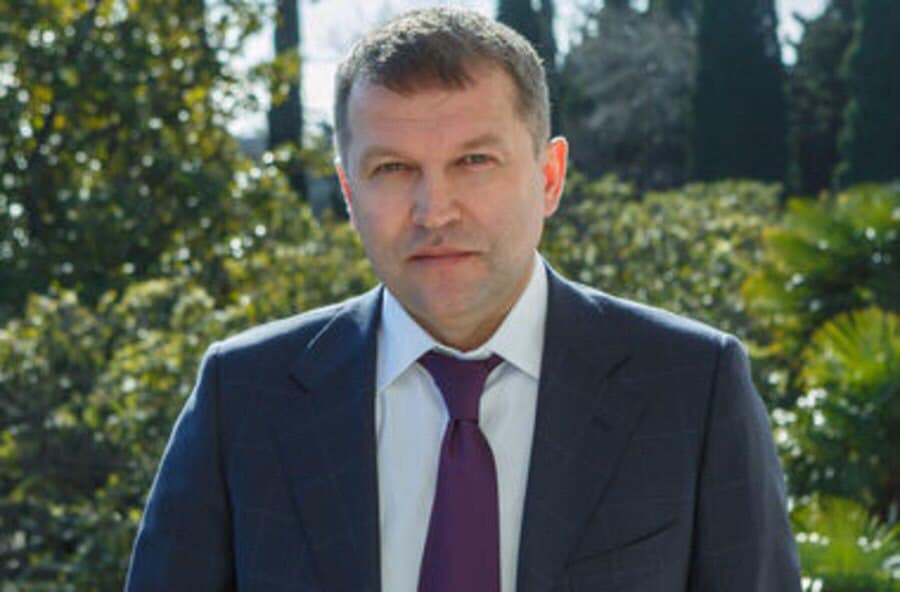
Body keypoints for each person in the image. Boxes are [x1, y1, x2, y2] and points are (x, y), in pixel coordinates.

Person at [125, 7, 802, 592]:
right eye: (393, 168)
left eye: (474, 161)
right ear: (349, 193)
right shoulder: (245, 397)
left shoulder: (690, 389)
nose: (435, 210)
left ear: (549, 177)